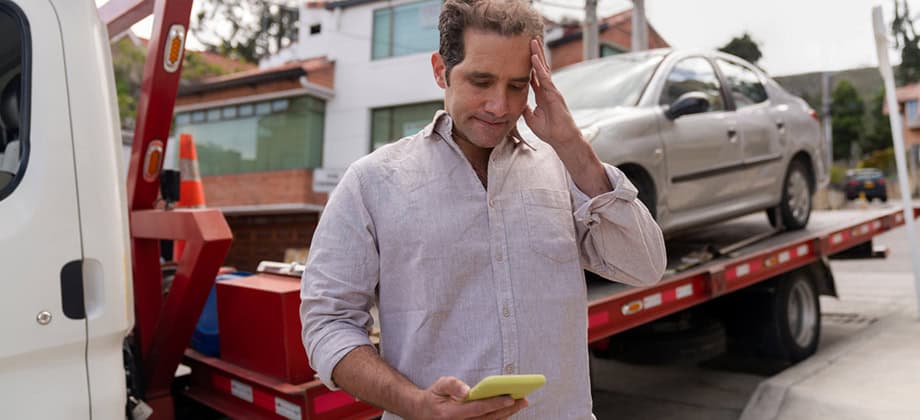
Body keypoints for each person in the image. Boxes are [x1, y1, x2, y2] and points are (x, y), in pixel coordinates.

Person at [300, 0, 667, 418]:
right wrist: (415, 404)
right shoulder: (372, 182)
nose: (501, 106)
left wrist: (573, 146)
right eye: (481, 81)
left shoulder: (564, 169)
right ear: (441, 70)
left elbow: (646, 266)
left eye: (517, 85)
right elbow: (327, 323)